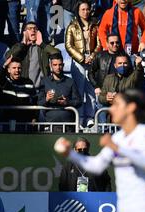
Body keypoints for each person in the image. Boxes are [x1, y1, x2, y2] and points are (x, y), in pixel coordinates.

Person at [65, 0, 102, 128]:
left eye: (87, 9)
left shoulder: (95, 24)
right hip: (78, 62)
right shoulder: (72, 26)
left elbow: (100, 43)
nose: (86, 12)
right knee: (79, 91)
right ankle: (79, 118)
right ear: (78, 11)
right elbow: (68, 46)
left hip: (92, 60)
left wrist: (92, 56)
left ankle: (90, 117)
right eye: (83, 9)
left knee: (91, 90)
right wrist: (81, 58)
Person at [6, 21, 60, 89]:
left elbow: (57, 54)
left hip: (42, 89)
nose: (33, 30)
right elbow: (8, 57)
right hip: (24, 87)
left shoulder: (43, 47)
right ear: (25, 32)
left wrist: (42, 44)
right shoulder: (19, 47)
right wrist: (23, 45)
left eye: (35, 28)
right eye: (30, 28)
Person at [37, 53, 82, 130]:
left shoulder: (70, 81)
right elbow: (39, 102)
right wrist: (47, 99)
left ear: (63, 65)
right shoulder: (45, 81)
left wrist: (67, 102)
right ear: (51, 66)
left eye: (60, 65)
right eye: (55, 65)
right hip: (50, 125)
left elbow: (78, 101)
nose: (58, 67)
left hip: (68, 126)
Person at [89, 33, 122, 124]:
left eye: (117, 42)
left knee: (117, 124)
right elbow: (90, 72)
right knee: (102, 123)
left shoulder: (123, 57)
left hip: (118, 94)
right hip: (103, 93)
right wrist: (96, 86)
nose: (115, 45)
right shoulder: (100, 56)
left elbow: (128, 76)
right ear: (107, 44)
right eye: (112, 43)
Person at [0, 55, 38, 126]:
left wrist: (34, 117)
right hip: (7, 121)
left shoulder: (28, 82)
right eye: (14, 68)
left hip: (25, 121)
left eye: (19, 68)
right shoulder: (5, 81)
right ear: (8, 70)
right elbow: (0, 79)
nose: (17, 70)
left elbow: (35, 101)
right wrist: (5, 65)